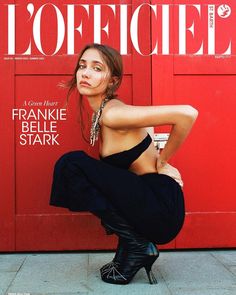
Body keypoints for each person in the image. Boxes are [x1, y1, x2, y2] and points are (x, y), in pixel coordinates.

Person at [49, 43, 198, 285]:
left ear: (112, 80)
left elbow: (187, 114)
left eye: (97, 68)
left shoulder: (112, 113)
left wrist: (163, 161)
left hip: (161, 208)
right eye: (82, 66)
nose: (85, 73)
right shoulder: (108, 111)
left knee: (71, 164)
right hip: (154, 201)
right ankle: (131, 246)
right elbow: (144, 134)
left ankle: (138, 245)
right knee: (100, 177)